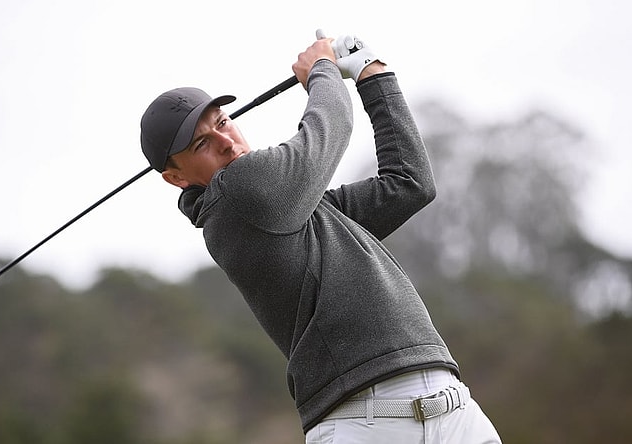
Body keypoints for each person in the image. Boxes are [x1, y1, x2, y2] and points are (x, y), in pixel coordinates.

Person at [139, 30, 502, 443]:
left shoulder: (300, 209)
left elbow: (410, 183)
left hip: (455, 410)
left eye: (223, 122)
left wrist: (373, 74)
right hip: (365, 424)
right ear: (177, 177)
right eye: (203, 143)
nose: (226, 141)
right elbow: (330, 126)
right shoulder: (240, 193)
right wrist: (323, 70)